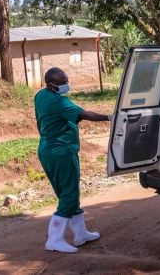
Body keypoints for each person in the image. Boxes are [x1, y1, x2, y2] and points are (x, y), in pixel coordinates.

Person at [35, 68, 110, 253]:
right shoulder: (58, 101)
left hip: (48, 149)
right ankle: (55, 239)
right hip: (61, 152)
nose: (66, 84)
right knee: (68, 195)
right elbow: (84, 114)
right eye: (63, 82)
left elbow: (39, 122)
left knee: (68, 193)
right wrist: (110, 117)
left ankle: (80, 234)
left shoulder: (41, 95)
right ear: (52, 84)